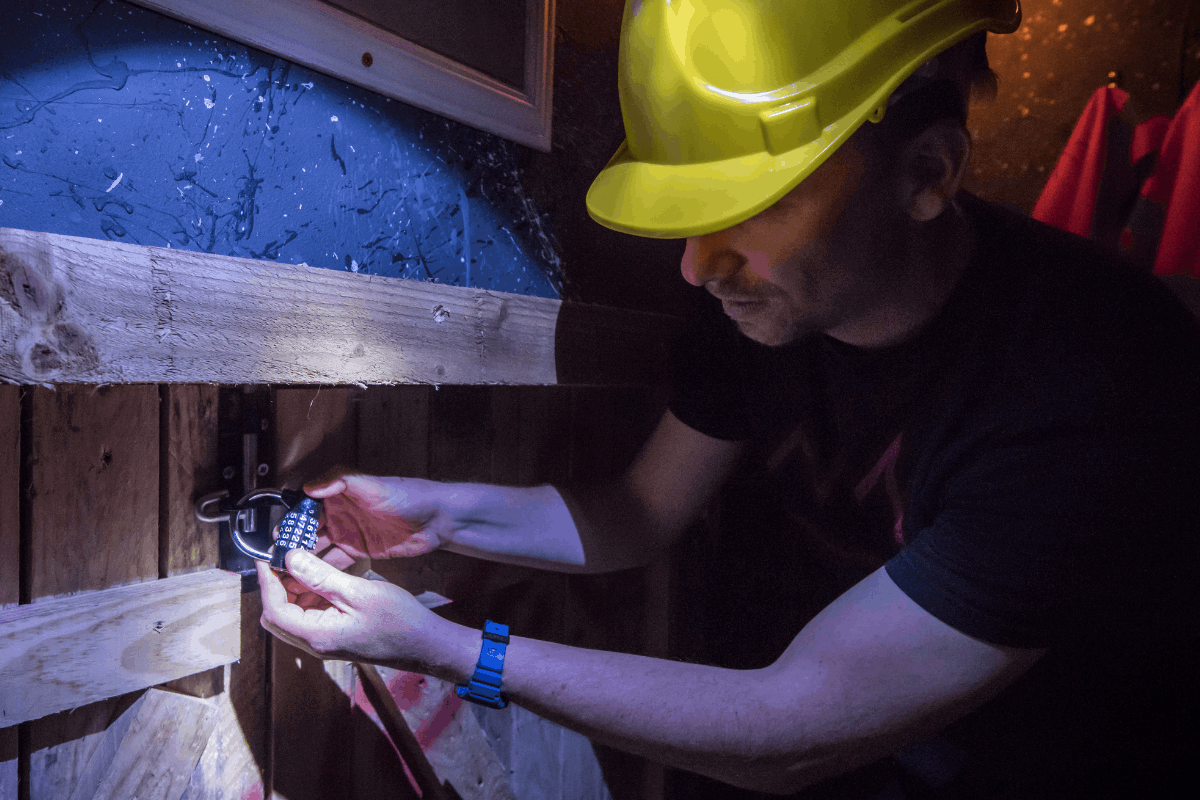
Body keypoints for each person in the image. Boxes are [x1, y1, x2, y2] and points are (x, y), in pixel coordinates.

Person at [258, 1, 1200, 797]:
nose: (697, 265)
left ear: (928, 172)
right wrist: (433, 514)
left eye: (757, 204)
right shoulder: (770, 304)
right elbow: (639, 512)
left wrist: (450, 650)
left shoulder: (1094, 384)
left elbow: (792, 727)